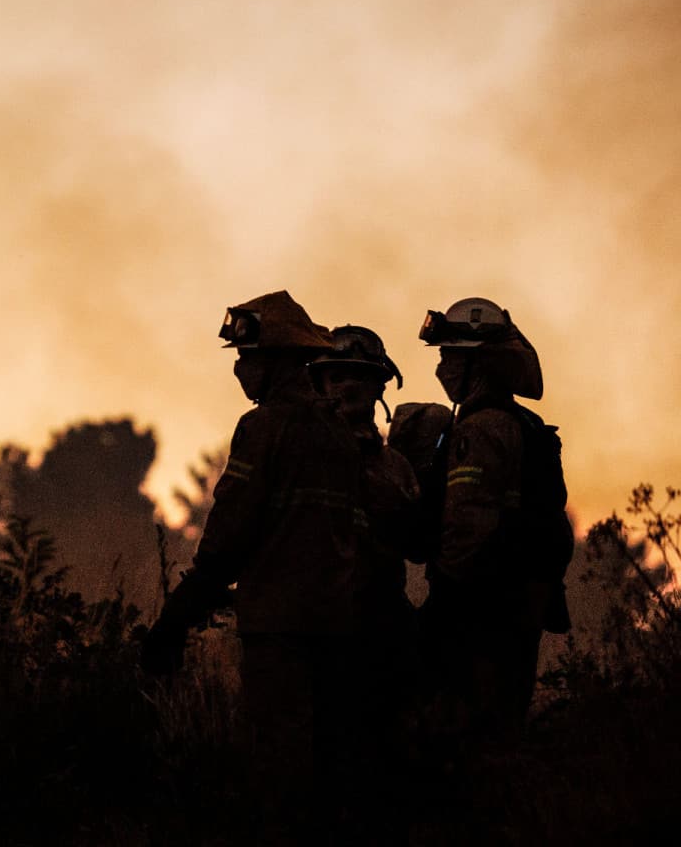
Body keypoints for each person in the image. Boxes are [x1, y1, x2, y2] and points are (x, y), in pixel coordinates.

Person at [143, 290, 365, 834]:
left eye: (248, 358)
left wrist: (177, 616)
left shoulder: (264, 426)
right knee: (332, 766)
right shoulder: (339, 431)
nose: (240, 370)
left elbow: (229, 534)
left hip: (280, 627)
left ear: (276, 363)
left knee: (282, 768)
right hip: (339, 623)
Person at [416, 296, 574, 747]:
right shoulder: (523, 422)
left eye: (450, 356)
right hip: (517, 602)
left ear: (479, 364)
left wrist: (443, 602)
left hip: (479, 608)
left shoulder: (480, 428)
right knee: (502, 727)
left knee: (464, 733)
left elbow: (468, 525)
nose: (442, 367)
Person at [307, 324, 428, 832]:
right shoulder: (300, 453)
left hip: (380, 631)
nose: (346, 386)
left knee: (382, 770)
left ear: (381, 387)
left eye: (359, 376)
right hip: (312, 633)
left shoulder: (398, 466)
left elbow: (420, 545)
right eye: (335, 375)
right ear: (318, 383)